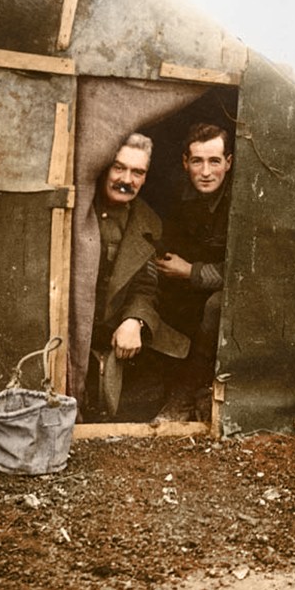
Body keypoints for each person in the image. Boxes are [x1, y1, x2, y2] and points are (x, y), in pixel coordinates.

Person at [89, 133, 189, 418]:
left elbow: (146, 284)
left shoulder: (148, 222)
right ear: (104, 168)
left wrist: (135, 319)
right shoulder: (78, 208)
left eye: (138, 172)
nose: (127, 180)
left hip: (116, 334)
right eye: (119, 168)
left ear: (145, 178)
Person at [154, 123, 233, 421]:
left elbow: (244, 271)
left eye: (215, 161)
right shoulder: (179, 194)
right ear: (185, 162)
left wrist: (191, 272)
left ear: (229, 162)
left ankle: (186, 394)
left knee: (215, 306)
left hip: (229, 290)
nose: (206, 172)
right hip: (192, 286)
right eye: (197, 161)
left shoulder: (241, 200)